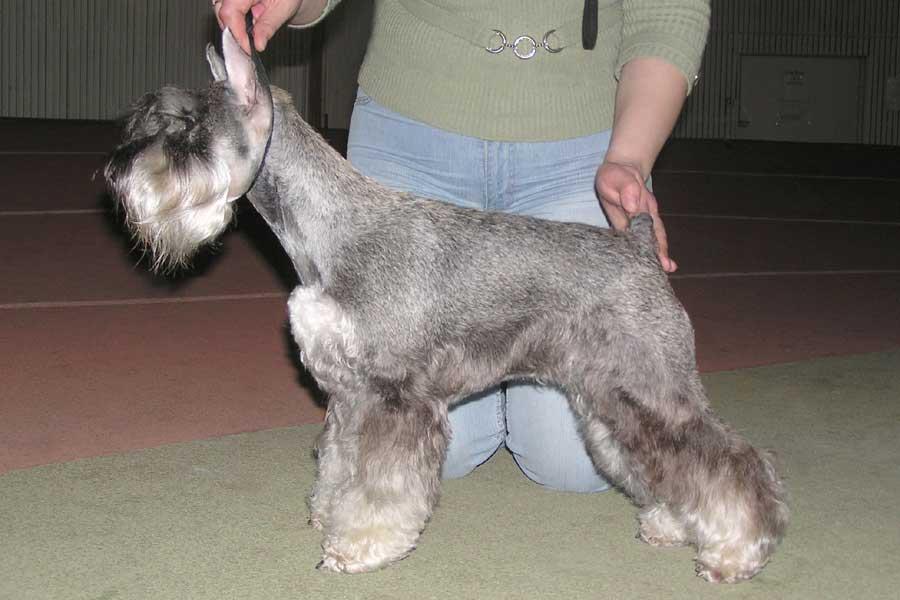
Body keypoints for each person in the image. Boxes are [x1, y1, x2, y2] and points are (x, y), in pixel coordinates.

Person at [215, 0, 711, 493]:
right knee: (395, 416)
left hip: (578, 148)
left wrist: (629, 159)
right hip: (412, 140)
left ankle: (730, 502)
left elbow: (670, 13)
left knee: (582, 461)